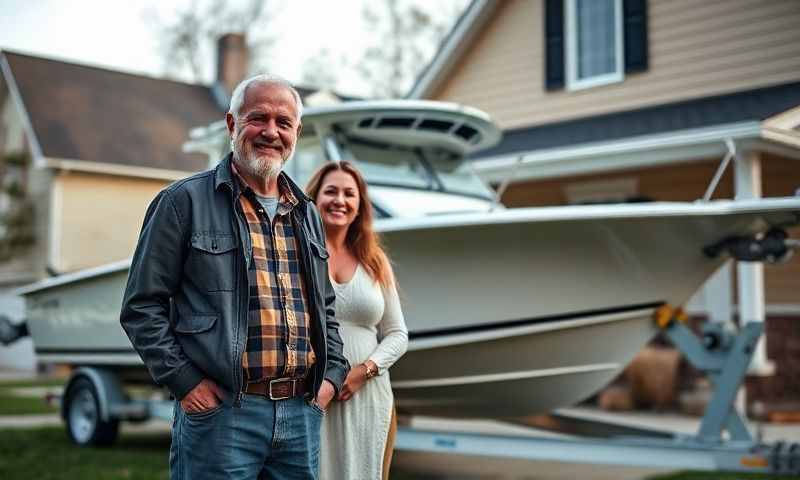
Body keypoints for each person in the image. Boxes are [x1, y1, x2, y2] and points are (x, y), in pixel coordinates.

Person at [120, 74, 349, 480]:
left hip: (301, 413)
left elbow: (325, 307)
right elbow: (142, 306)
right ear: (232, 124)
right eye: (257, 118)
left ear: (296, 132)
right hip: (223, 414)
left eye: (283, 122)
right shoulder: (182, 202)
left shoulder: (307, 211)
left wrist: (331, 376)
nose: (270, 131)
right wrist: (185, 381)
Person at [306, 161, 409, 480]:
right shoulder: (297, 252)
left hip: (369, 394)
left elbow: (397, 334)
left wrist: (363, 372)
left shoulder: (375, 262)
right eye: (331, 191)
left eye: (350, 194)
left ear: (359, 205)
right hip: (313, 392)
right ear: (314, 198)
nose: (340, 200)